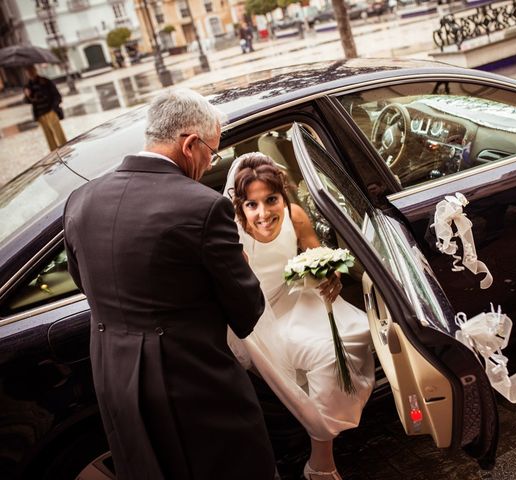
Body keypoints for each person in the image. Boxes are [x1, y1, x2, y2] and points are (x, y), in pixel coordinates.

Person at [63, 88, 276, 480]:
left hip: (113, 380)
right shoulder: (202, 206)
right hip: (191, 383)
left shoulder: (81, 198)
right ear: (190, 144)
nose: (210, 161)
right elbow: (246, 311)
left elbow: (86, 284)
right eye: (212, 152)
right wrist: (241, 266)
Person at [224, 153, 375, 480]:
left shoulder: (296, 216)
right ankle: (321, 458)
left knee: (360, 331)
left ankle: (328, 427)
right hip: (258, 314)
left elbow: (316, 255)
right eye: (251, 205)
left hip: (293, 296)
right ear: (240, 206)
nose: (263, 213)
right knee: (323, 354)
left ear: (284, 196)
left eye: (271, 200)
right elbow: (237, 291)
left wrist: (329, 275)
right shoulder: (234, 236)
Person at [23, 65, 67, 151]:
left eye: (31, 70)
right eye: (28, 71)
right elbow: (27, 101)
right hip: (40, 115)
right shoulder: (27, 86)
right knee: (49, 139)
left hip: (50, 112)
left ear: (35, 70)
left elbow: (57, 95)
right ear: (26, 73)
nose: (30, 73)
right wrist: (27, 96)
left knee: (59, 135)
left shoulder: (45, 81)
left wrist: (54, 108)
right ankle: (55, 156)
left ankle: (66, 151)